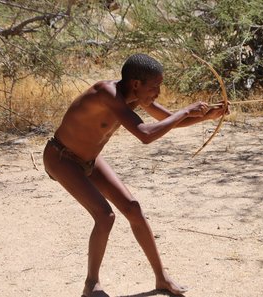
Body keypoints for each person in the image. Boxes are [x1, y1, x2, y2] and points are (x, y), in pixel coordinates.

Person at [43, 53, 227, 297]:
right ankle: (91, 285)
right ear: (136, 84)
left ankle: (162, 278)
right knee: (105, 216)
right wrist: (185, 111)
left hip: (89, 159)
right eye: (155, 87)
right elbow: (145, 135)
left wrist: (206, 116)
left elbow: (166, 120)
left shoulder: (135, 97)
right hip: (61, 157)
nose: (157, 93)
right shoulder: (106, 93)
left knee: (133, 208)